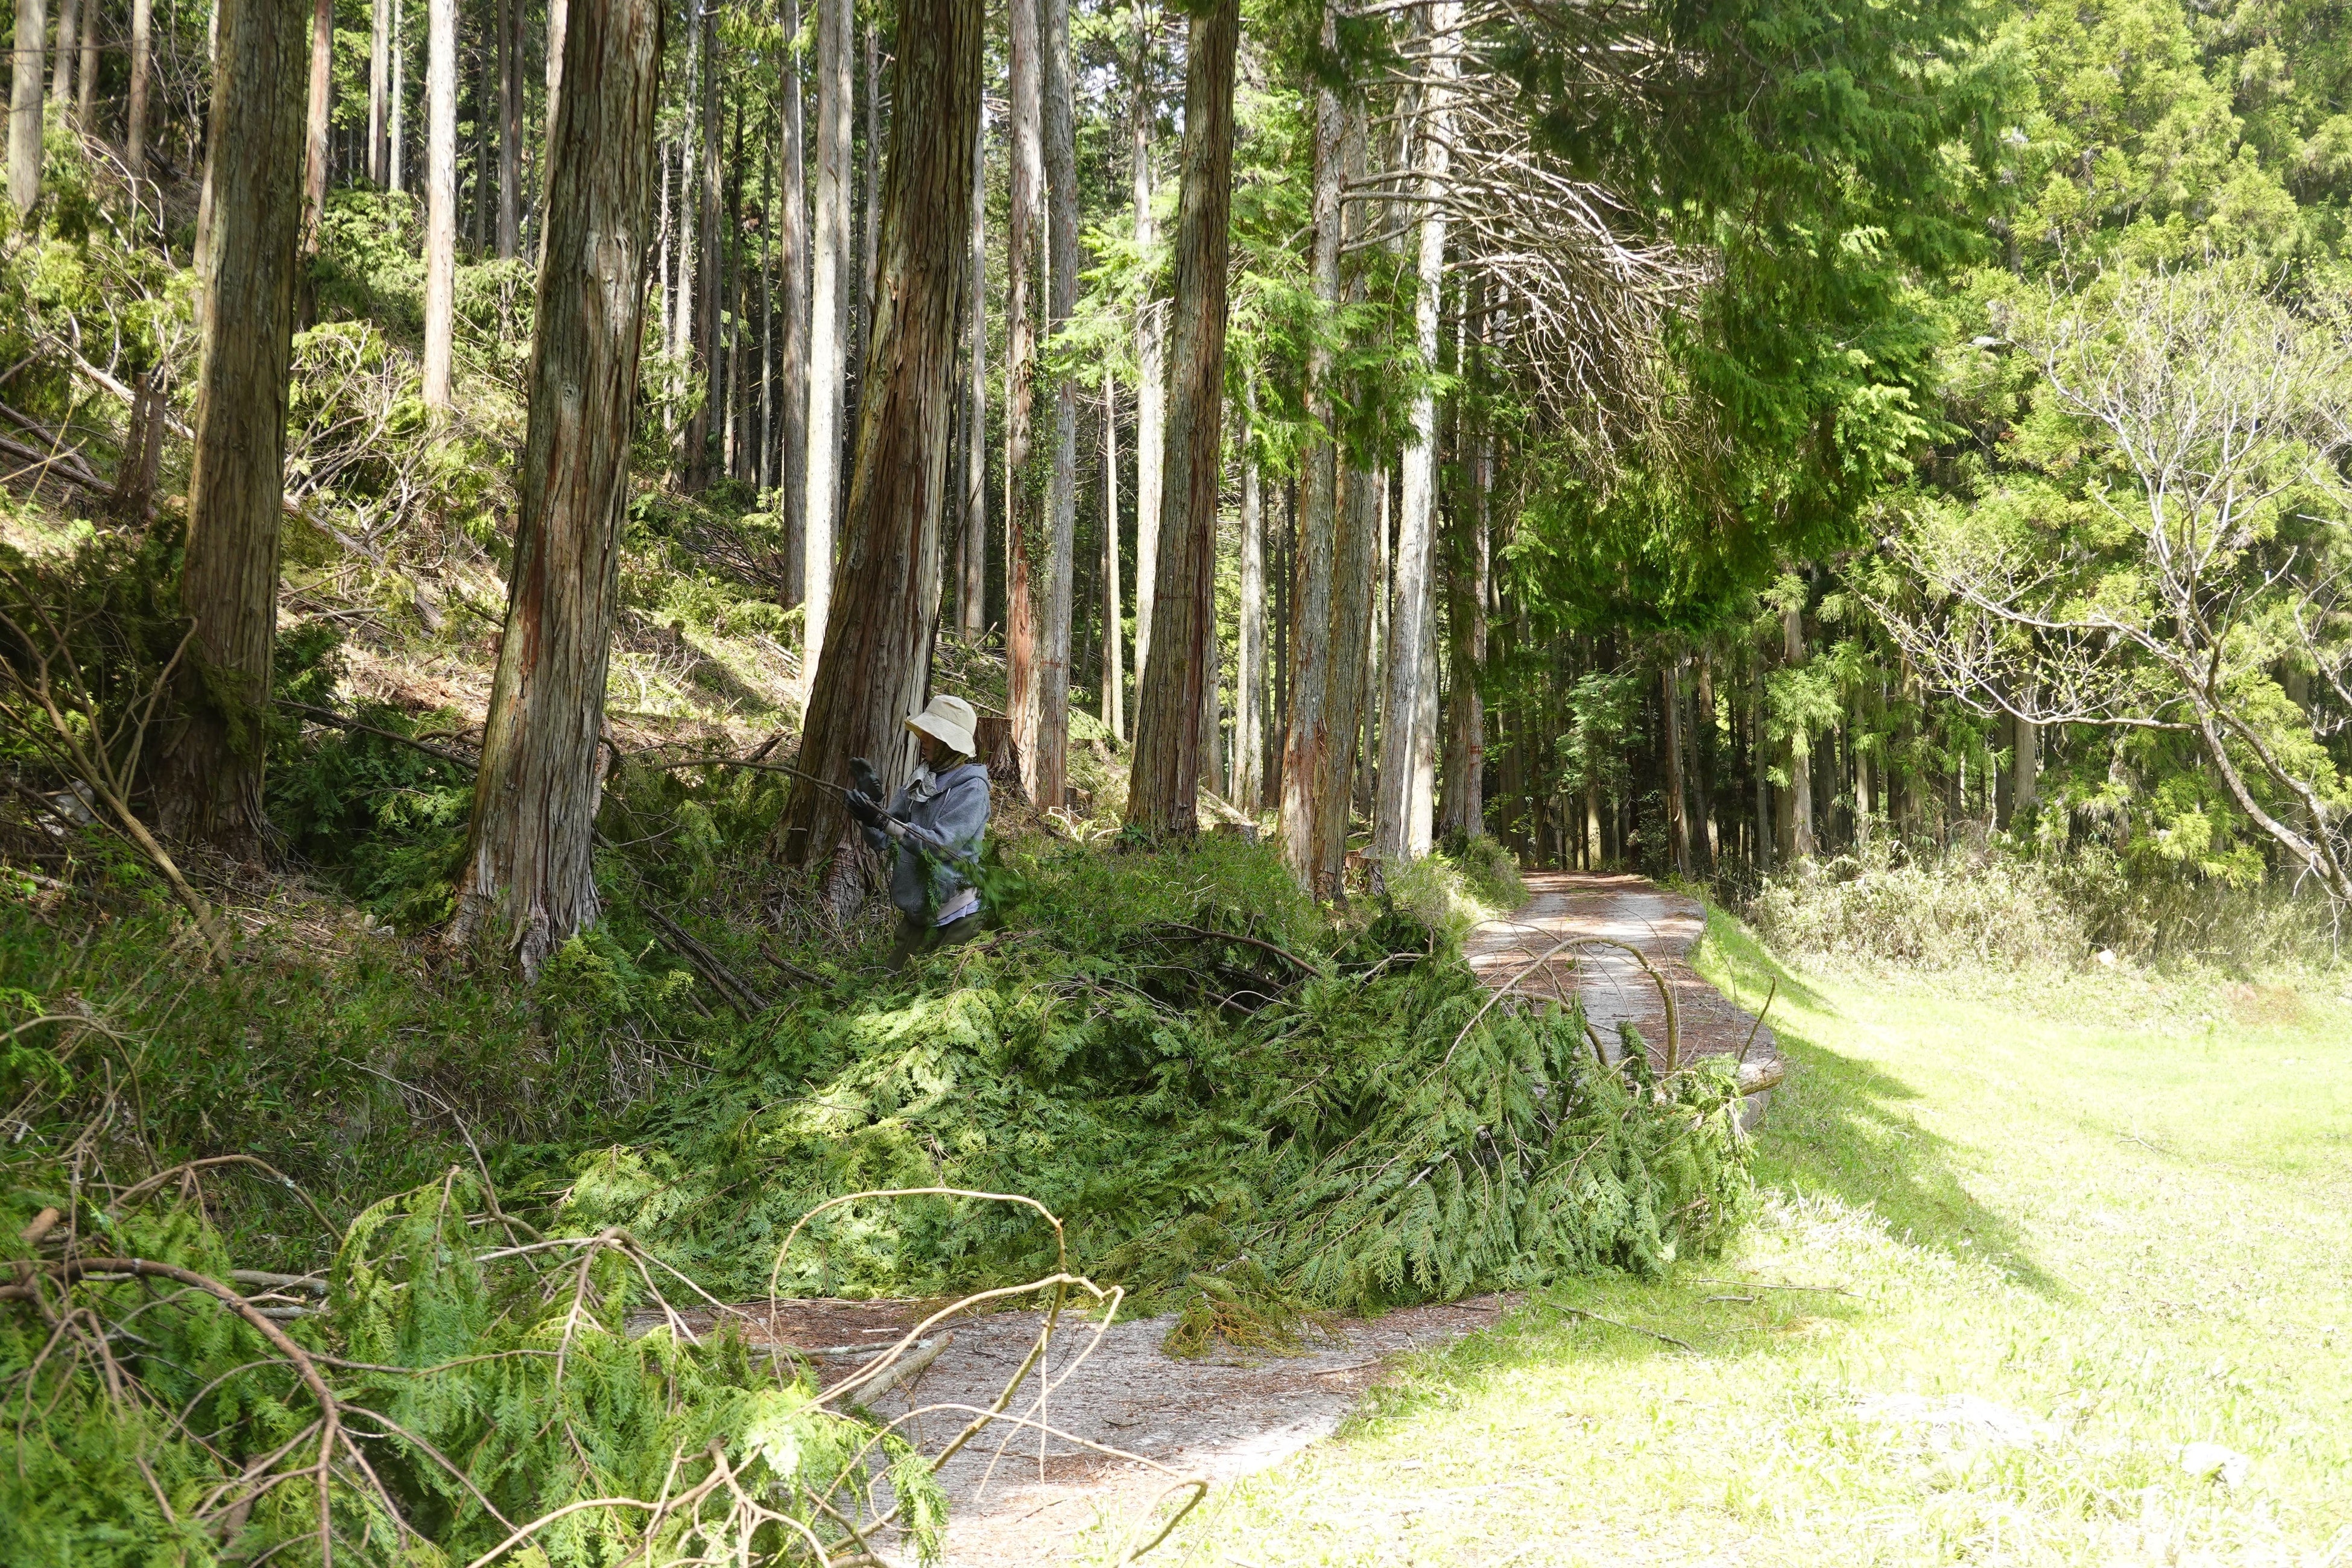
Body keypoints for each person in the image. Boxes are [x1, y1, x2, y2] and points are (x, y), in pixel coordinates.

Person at [844, 694, 991, 967]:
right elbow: (882, 840)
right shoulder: (921, 780)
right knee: (892, 985)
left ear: (949, 743)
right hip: (919, 912)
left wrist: (881, 821)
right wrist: (870, 810)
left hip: (958, 916)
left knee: (936, 997)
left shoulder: (972, 789)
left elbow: (940, 846)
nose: (923, 739)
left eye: (932, 734)